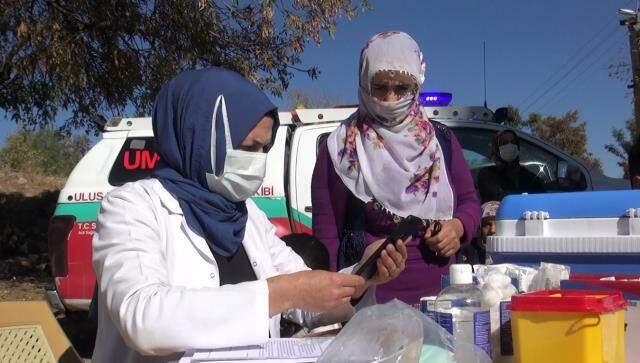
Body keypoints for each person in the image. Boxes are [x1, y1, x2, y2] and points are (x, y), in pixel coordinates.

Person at [91, 67, 408, 363]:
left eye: (263, 150)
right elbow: (142, 320)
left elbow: (304, 295)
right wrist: (278, 293)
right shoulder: (131, 207)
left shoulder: (246, 216)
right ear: (201, 137)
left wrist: (360, 278)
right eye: (248, 147)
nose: (257, 162)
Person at [311, 31, 481, 306]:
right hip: (371, 307)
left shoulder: (442, 142)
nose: (390, 99)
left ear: (415, 86)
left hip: (443, 302)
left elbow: (470, 202)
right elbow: (326, 238)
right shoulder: (339, 150)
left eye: (401, 88)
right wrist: (334, 307)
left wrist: (458, 227)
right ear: (365, 82)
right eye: (380, 87)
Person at [476, 129, 545, 203]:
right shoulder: (487, 174)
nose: (509, 145)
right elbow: (496, 197)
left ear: (518, 147)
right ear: (496, 149)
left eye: (513, 142)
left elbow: (541, 191)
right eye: (504, 143)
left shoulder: (526, 175)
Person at [457, 201, 500, 265]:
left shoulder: (509, 251)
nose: (492, 230)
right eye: (487, 224)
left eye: (497, 224)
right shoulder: (467, 249)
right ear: (480, 226)